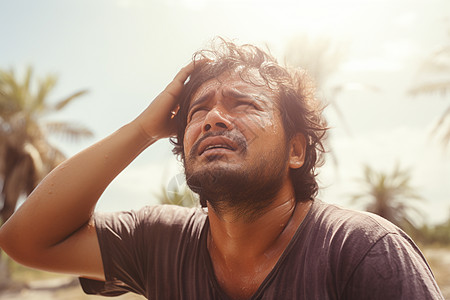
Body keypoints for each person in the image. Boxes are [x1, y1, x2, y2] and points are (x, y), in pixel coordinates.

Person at [0, 39, 444, 300]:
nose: (213, 118)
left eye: (243, 103)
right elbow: (25, 241)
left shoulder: (363, 251)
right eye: (197, 111)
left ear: (295, 149)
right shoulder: (159, 241)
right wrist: (141, 129)